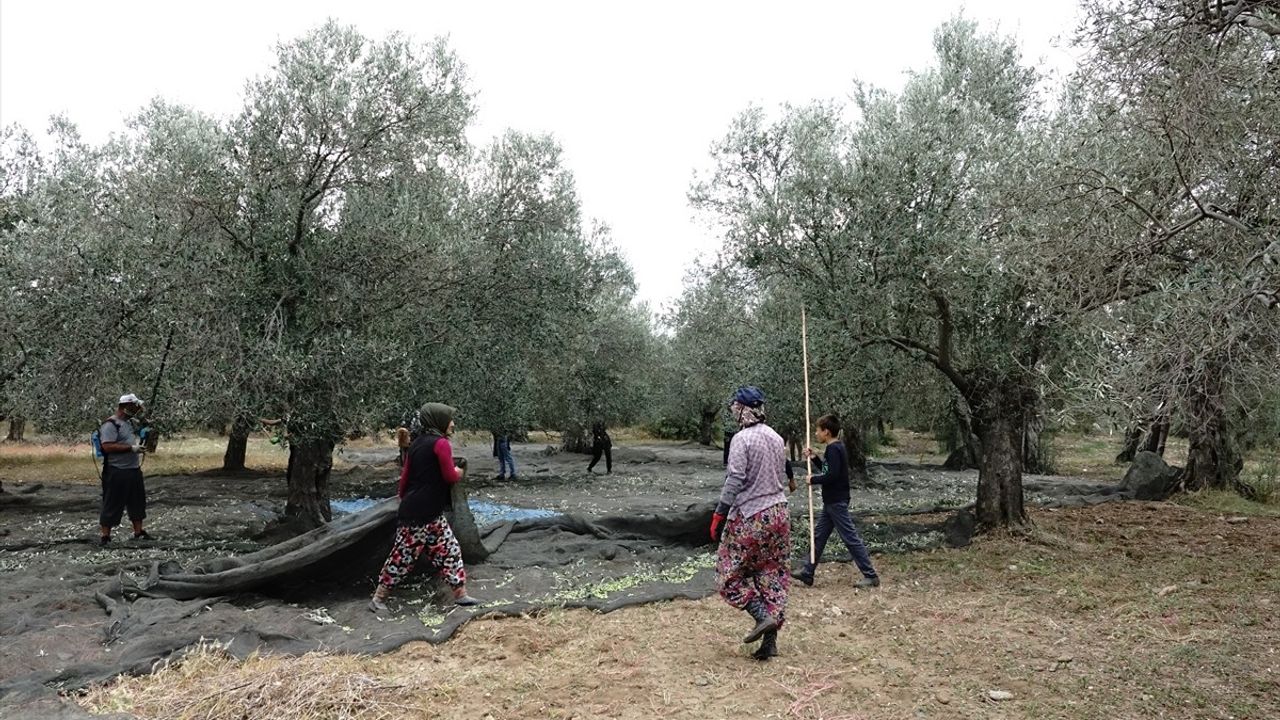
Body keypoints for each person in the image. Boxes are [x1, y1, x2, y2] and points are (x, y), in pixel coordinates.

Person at [370, 403, 482, 613]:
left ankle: (461, 595)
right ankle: (378, 599)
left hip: (425, 512)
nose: (453, 424)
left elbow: (404, 480)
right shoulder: (441, 444)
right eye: (450, 419)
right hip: (421, 513)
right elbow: (449, 476)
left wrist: (407, 499)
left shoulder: (416, 444)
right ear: (439, 420)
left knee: (450, 549)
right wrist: (459, 471)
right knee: (403, 557)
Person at [710, 386, 791, 661]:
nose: (733, 410)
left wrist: (720, 513)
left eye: (735, 406)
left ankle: (760, 615)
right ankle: (770, 642)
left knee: (728, 574)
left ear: (743, 409)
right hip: (779, 514)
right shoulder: (777, 437)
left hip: (752, 515)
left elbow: (735, 478)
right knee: (772, 574)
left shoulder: (741, 440)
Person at [793, 414, 880, 589]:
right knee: (819, 536)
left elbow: (831, 476)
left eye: (818, 430)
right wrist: (815, 458)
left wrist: (813, 479)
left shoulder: (834, 449)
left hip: (836, 501)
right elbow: (828, 469)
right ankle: (808, 572)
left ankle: (870, 575)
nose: (816, 433)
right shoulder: (834, 448)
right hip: (832, 501)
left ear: (826, 431)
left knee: (850, 538)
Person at [97, 393, 152, 546]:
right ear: (126, 406)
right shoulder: (110, 424)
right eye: (135, 407)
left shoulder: (128, 423)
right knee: (112, 502)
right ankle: (106, 537)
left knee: (137, 501)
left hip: (133, 469)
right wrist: (131, 448)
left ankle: (138, 532)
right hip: (117, 470)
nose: (137, 410)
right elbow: (107, 446)